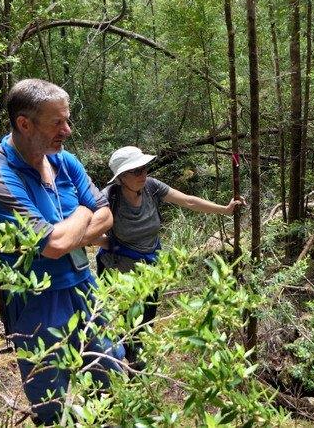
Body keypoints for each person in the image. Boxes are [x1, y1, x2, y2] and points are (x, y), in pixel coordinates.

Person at [0, 79, 124, 424]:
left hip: (84, 287)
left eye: (67, 119)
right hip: (35, 302)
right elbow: (56, 244)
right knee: (51, 402)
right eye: (57, 122)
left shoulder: (65, 162)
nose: (67, 130)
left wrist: (73, 230)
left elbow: (108, 216)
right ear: (24, 124)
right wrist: (84, 213)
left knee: (111, 373)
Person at [94, 145, 245, 363]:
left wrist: (224, 209)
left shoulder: (152, 187)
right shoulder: (108, 198)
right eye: (136, 171)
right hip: (119, 274)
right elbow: (87, 231)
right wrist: (110, 244)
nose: (143, 174)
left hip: (151, 269)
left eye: (145, 168)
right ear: (121, 177)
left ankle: (137, 365)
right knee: (122, 322)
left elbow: (188, 200)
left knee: (145, 321)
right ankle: (121, 367)